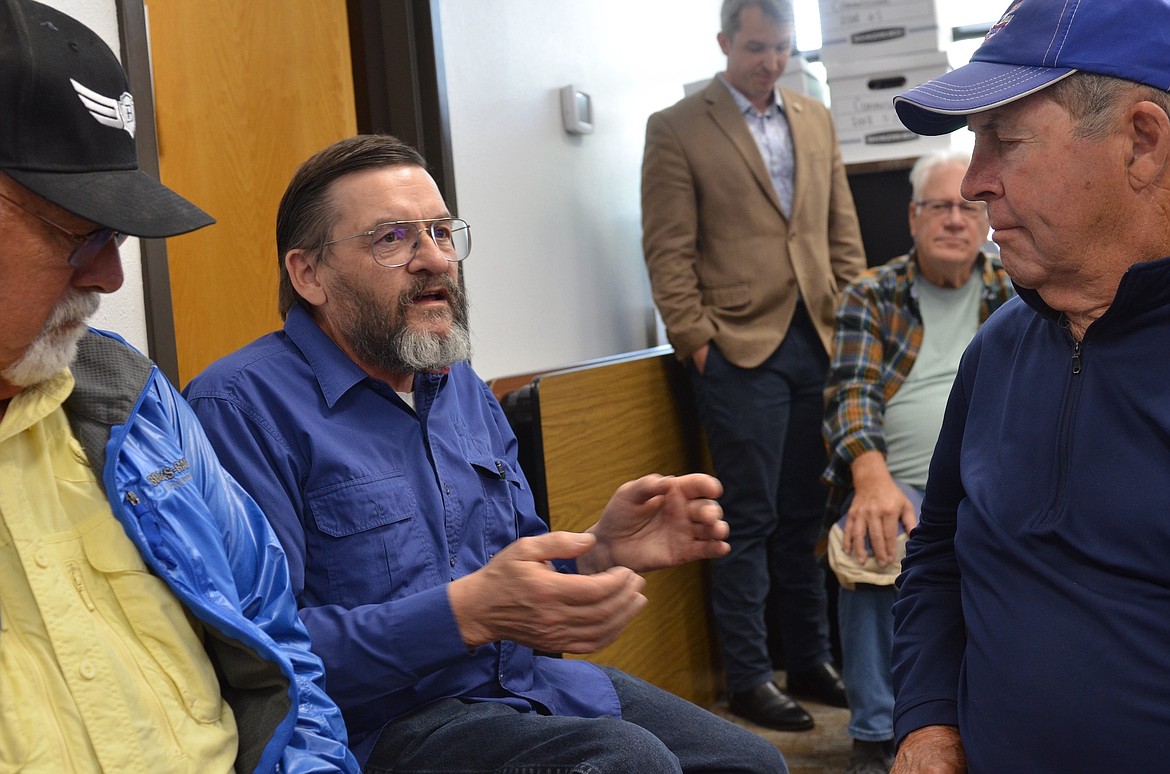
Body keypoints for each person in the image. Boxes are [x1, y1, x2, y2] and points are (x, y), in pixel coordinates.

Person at [182, 132, 790, 773]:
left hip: (524, 689)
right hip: (383, 726)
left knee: (750, 764)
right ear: (308, 274)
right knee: (624, 764)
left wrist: (600, 552)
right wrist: (462, 614)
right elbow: (258, 654)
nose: (435, 260)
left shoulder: (459, 386)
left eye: (442, 233)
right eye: (393, 238)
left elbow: (514, 586)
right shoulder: (240, 407)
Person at [0, 1, 357, 771]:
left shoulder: (125, 394)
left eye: (116, 236)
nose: (111, 275)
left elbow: (276, 641)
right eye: (76, 231)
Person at [886, 0, 1170, 771]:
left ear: (1141, 143)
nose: (976, 184)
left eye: (1005, 141)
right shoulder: (998, 347)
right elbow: (938, 552)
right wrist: (925, 720)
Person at [640, 0, 865, 731]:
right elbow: (668, 248)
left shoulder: (814, 116)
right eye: (758, 47)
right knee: (750, 516)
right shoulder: (676, 126)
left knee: (808, 512)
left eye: (782, 49)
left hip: (819, 336)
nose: (771, 61)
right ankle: (747, 677)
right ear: (725, 43)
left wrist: (853, 320)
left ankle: (809, 660)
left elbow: (841, 229)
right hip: (736, 347)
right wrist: (695, 339)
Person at [820, 150, 1014, 774]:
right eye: (939, 206)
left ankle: (988, 712)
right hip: (899, 478)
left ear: (986, 217)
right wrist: (870, 480)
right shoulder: (871, 294)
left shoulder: (1016, 288)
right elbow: (852, 392)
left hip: (993, 473)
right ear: (912, 217)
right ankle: (877, 730)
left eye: (968, 205)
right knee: (872, 535)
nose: (955, 220)